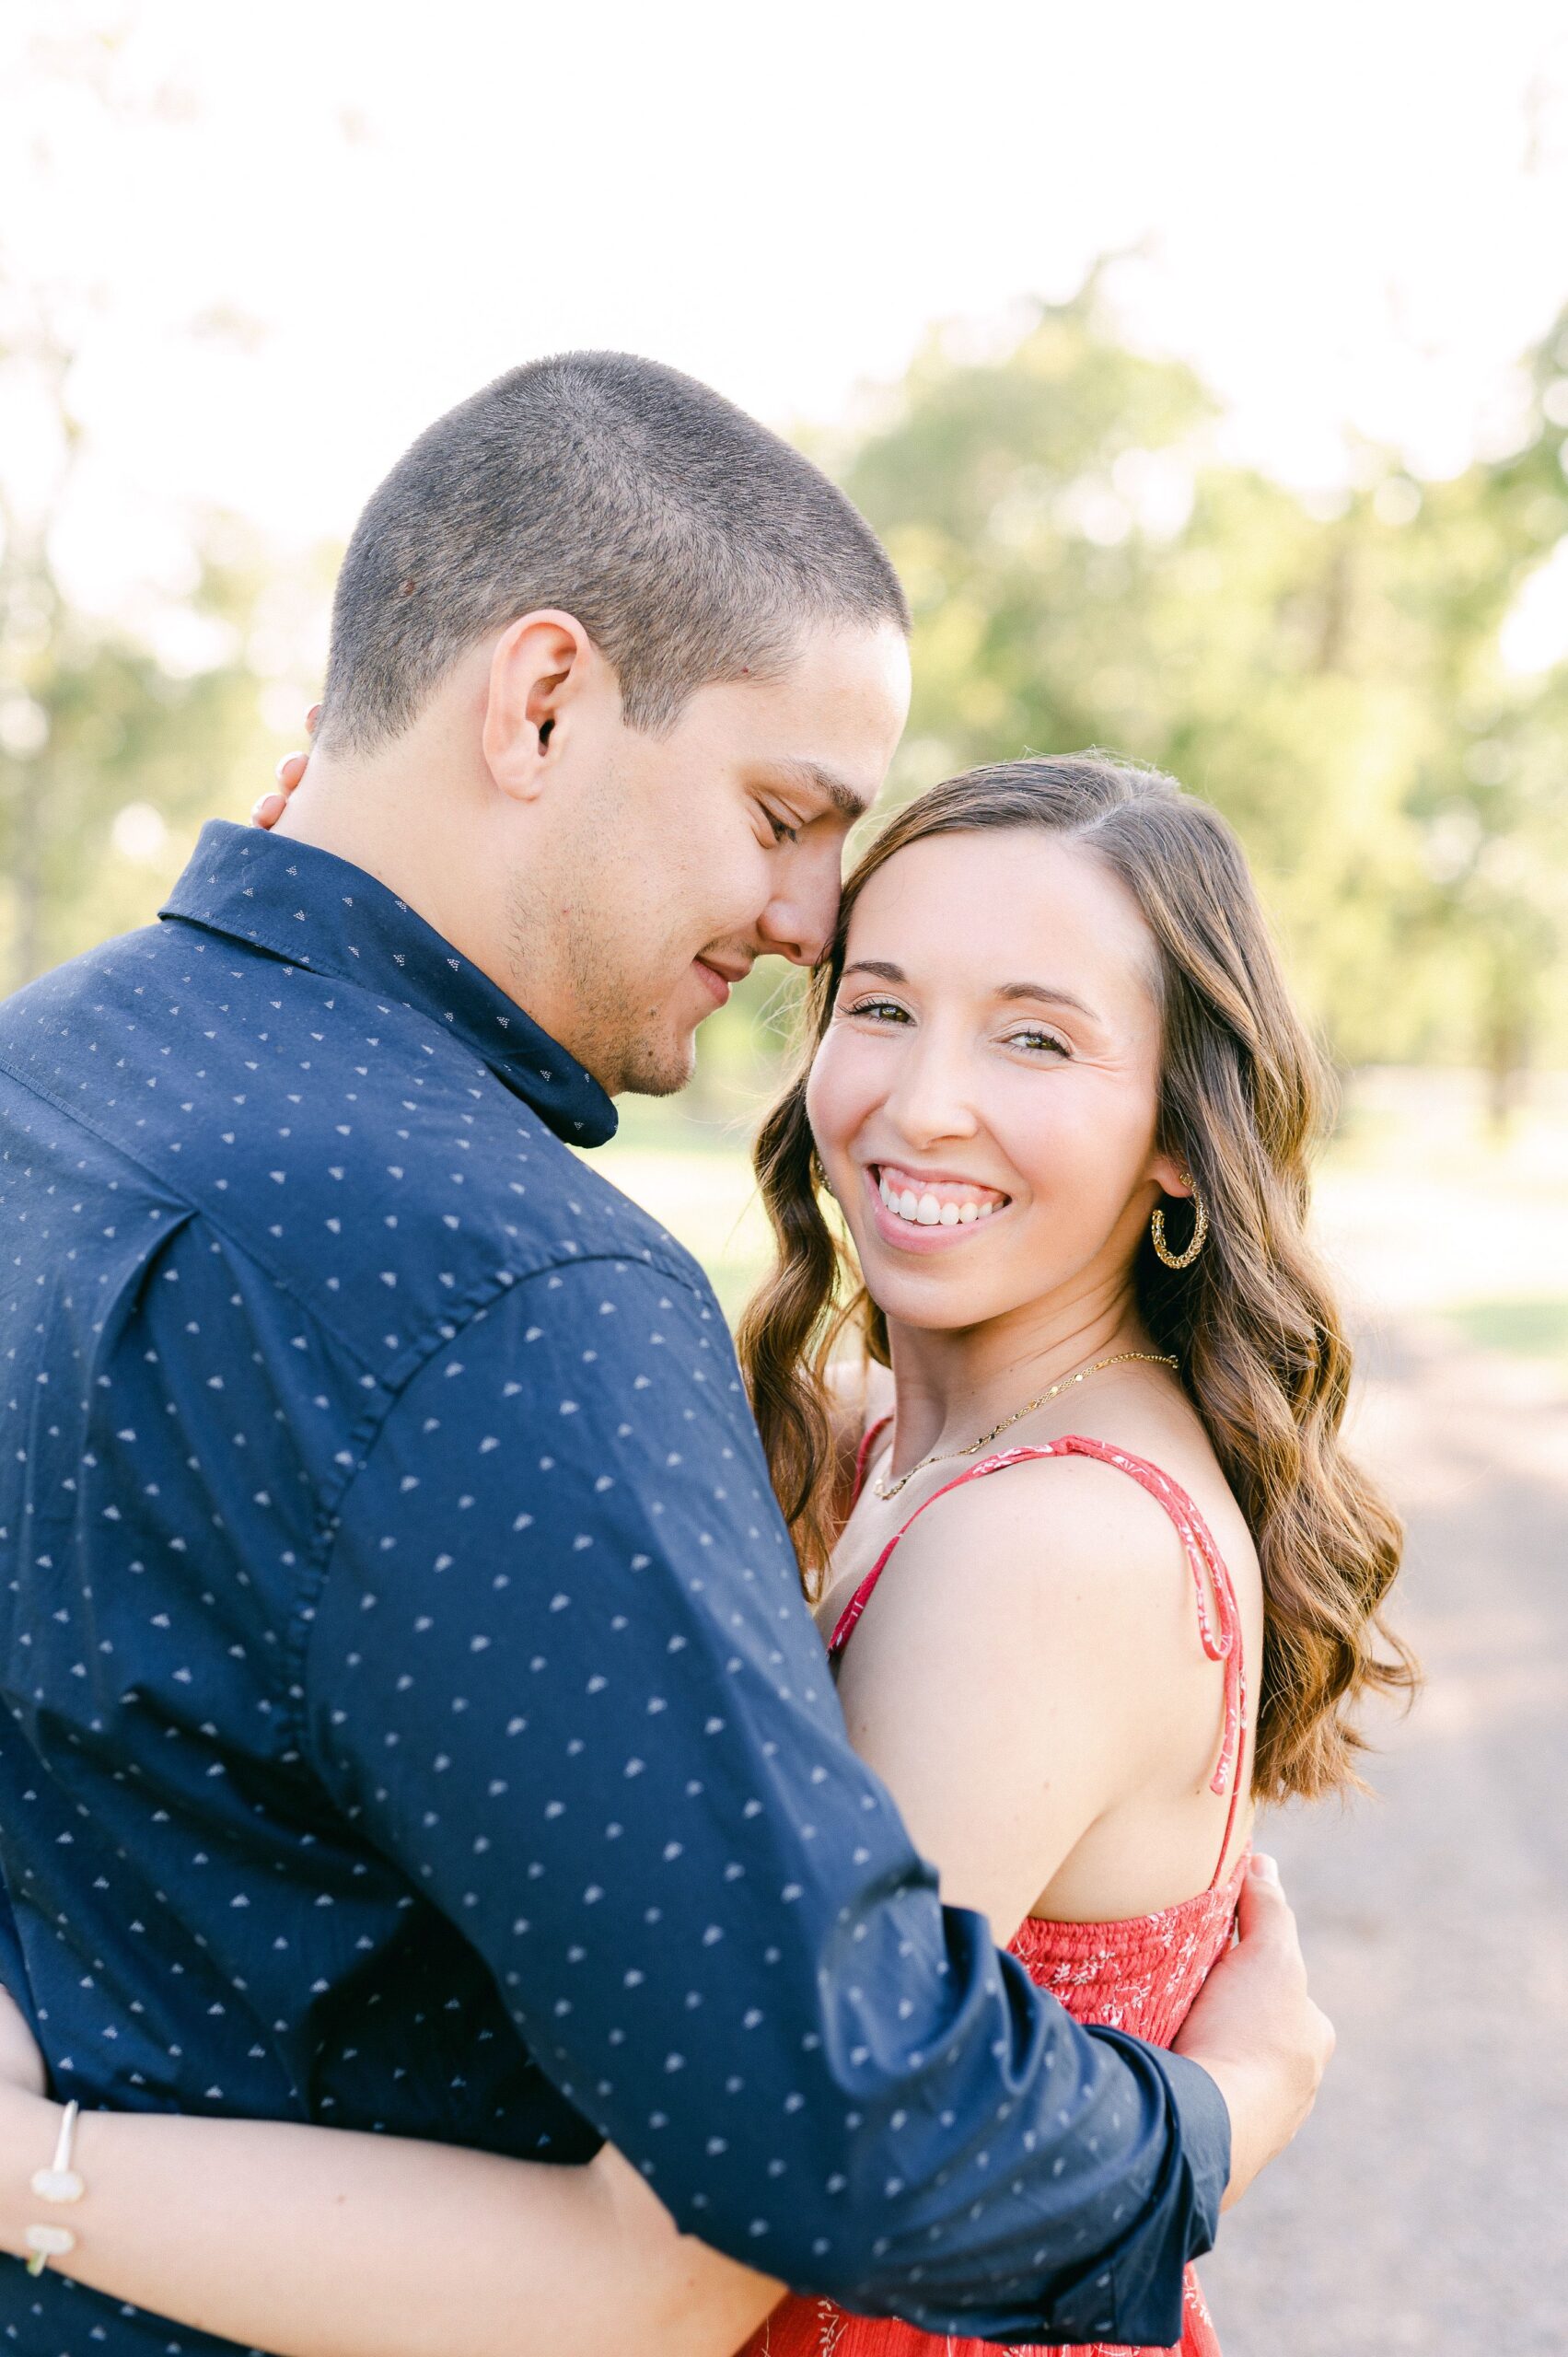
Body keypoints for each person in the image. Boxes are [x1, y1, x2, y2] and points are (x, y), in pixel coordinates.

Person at [0, 356, 1328, 2357]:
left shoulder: (55, 1069)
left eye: (1038, 1032)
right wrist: (1218, 2114)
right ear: (539, 702)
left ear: (1176, 1138)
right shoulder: (525, 1283)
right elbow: (782, 2164)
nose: (805, 924)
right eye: (790, 819)